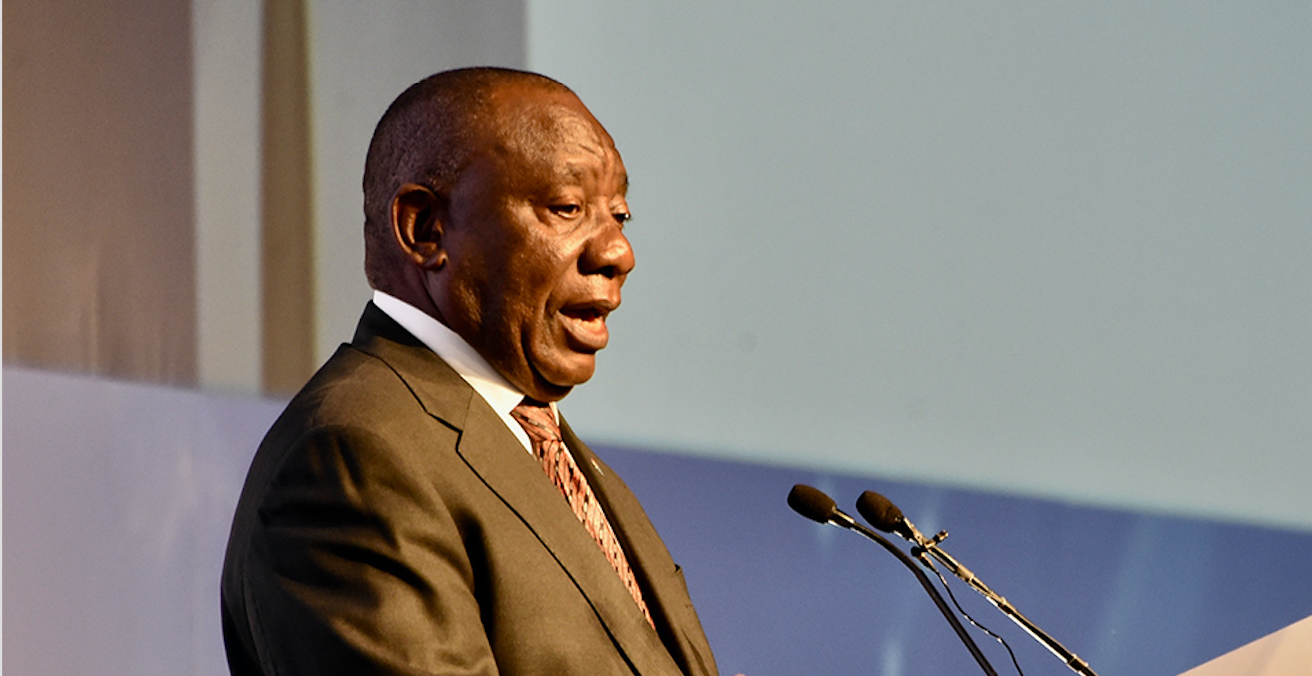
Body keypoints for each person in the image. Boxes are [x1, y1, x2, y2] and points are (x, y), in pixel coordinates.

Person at [220, 67, 719, 676]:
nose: (618, 253)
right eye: (567, 208)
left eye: (619, 215)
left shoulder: (553, 452)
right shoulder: (355, 457)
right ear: (425, 230)